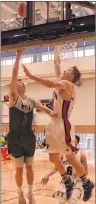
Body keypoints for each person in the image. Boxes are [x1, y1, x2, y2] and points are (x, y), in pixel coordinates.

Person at [22, 45, 94, 201]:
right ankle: (67, 181)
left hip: (63, 125)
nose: (64, 71)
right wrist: (57, 46)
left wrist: (31, 76)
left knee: (70, 157)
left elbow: (48, 84)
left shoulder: (67, 85)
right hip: (53, 124)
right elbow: (56, 64)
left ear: (71, 76)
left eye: (67, 71)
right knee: (53, 158)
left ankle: (87, 183)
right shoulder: (62, 80)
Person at [7, 49, 58, 204]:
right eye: (16, 82)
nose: (17, 83)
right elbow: (15, 72)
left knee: (29, 168)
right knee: (19, 169)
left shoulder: (31, 100)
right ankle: (20, 193)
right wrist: (18, 55)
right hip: (15, 137)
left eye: (19, 82)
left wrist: (52, 113)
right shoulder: (13, 98)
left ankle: (30, 193)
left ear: (24, 86)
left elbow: (44, 108)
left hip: (29, 137)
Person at [41, 135, 88, 203]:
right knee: (61, 201)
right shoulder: (62, 154)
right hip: (66, 182)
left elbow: (86, 172)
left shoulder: (82, 154)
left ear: (77, 143)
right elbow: (56, 167)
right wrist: (47, 175)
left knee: (72, 202)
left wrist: (79, 172)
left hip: (77, 182)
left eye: (73, 140)